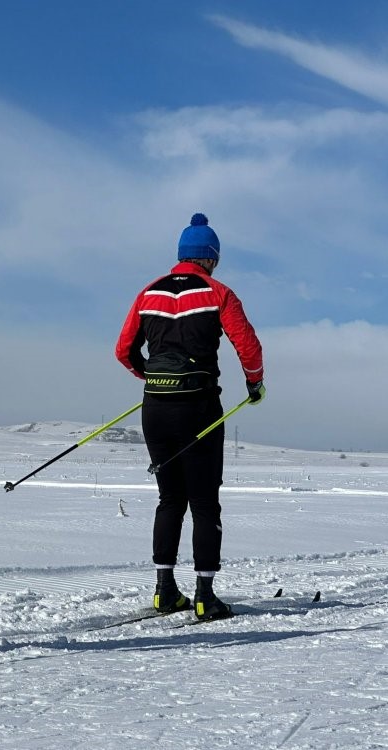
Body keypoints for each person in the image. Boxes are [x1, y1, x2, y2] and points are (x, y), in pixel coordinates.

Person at [115, 213, 264, 620]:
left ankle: (165, 592)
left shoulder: (148, 292)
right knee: (203, 502)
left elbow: (124, 350)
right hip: (199, 409)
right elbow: (248, 346)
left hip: (155, 409)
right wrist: (255, 384)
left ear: (181, 255)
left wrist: (153, 378)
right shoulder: (219, 293)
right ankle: (205, 597)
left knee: (169, 498)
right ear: (211, 258)